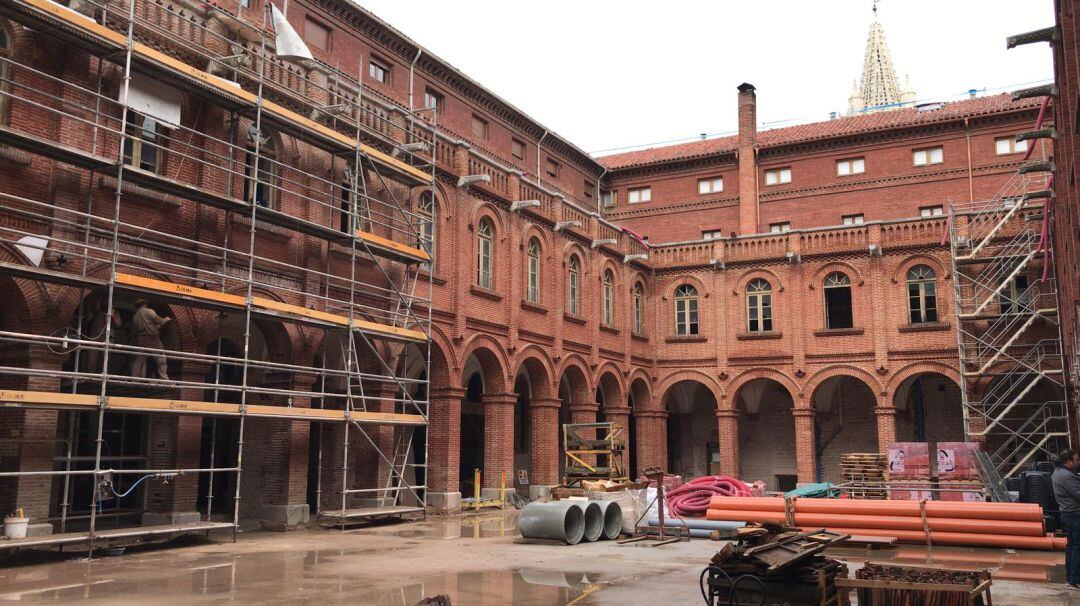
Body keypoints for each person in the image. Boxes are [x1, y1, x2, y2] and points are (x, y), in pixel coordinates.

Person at [1052, 449, 1080, 589]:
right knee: (1077, 547)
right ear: (1068, 462)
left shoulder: (1058, 472)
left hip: (1067, 513)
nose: (1077, 463)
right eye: (1076, 460)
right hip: (1074, 514)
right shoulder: (1067, 476)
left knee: (1072, 546)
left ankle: (1071, 577)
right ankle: (1075, 579)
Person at [130, 299, 171, 380]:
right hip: (152, 338)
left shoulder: (135, 316)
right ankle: (164, 378)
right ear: (145, 303)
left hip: (141, 339)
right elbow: (159, 321)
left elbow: (136, 330)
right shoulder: (149, 311)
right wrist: (166, 319)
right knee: (161, 357)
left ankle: (134, 378)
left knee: (140, 359)